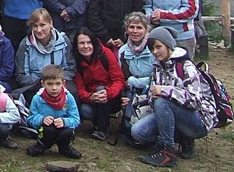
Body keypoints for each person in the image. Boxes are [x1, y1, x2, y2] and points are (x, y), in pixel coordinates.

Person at [131, 26, 217, 167]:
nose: (155, 52)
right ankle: (182, 138)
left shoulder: (186, 66)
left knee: (163, 102)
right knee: (138, 132)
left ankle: (167, 152)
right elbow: (154, 102)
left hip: (198, 121)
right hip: (171, 115)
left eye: (159, 47)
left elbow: (195, 100)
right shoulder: (157, 68)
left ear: (169, 46)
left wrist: (165, 91)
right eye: (152, 48)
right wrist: (153, 96)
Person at [14, 8, 77, 104]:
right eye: (35, 26)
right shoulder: (25, 44)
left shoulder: (64, 40)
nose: (39, 30)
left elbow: (70, 68)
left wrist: (55, 83)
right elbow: (21, 75)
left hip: (58, 83)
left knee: (72, 92)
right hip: (35, 85)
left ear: (51, 23)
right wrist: (42, 83)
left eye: (42, 25)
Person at [73, 28, 124, 141]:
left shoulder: (105, 54)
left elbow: (119, 79)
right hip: (92, 98)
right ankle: (99, 122)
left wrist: (108, 93)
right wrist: (90, 97)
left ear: (94, 43)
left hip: (111, 97)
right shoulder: (76, 61)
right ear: (76, 46)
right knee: (85, 110)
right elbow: (80, 89)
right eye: (81, 43)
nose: (86, 46)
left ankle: (102, 129)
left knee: (101, 89)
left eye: (89, 42)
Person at [26, 64, 82, 159]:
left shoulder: (69, 98)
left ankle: (65, 147)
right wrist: (42, 119)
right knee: (48, 129)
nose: (54, 88)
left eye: (57, 84)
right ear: (43, 84)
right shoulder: (37, 98)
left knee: (67, 132)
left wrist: (64, 122)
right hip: (46, 129)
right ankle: (41, 145)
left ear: (63, 83)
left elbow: (76, 120)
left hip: (63, 128)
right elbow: (30, 119)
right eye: (50, 84)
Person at [118, 12, 155, 136]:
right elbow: (124, 77)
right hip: (133, 91)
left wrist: (135, 81)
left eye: (139, 28)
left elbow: (157, 76)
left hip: (153, 89)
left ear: (146, 29)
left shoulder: (154, 49)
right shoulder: (123, 51)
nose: (135, 31)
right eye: (131, 27)